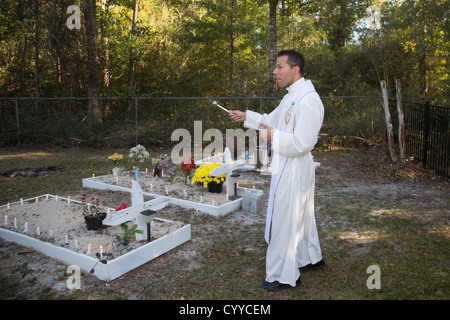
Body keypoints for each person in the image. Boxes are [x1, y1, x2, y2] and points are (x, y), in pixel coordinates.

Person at [229, 50, 325, 291]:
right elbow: (271, 120)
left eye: (280, 67)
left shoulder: (308, 99)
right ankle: (309, 257)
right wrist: (246, 117)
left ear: (296, 69)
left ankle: (282, 274)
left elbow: (303, 143)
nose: (274, 71)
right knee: (301, 215)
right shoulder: (291, 96)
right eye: (275, 67)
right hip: (287, 163)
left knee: (285, 217)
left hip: (296, 165)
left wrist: (275, 137)